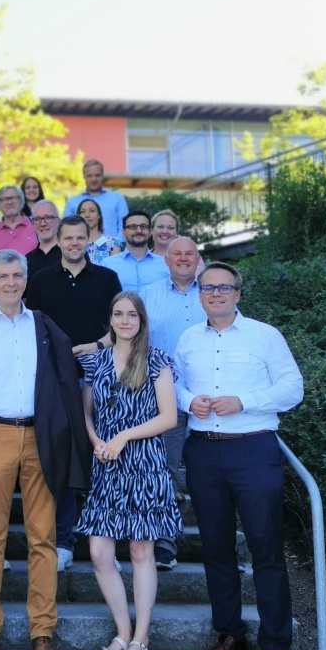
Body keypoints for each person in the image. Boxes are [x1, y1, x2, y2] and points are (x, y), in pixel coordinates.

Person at [0, 250, 90, 650]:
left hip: (40, 436)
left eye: (17, 275)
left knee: (42, 538)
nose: (11, 282)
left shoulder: (44, 327)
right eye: (3, 276)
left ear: (25, 281)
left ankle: (42, 631)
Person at [174, 262, 303, 650]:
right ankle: (230, 635)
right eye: (208, 287)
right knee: (215, 549)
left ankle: (275, 644)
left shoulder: (265, 335)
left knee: (265, 548)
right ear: (199, 295)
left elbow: (291, 388)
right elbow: (173, 384)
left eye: (224, 287)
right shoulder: (188, 339)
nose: (215, 293)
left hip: (253, 449)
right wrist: (187, 399)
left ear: (238, 294)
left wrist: (244, 401)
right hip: (204, 452)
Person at [76, 291, 182, 650]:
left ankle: (142, 638)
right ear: (111, 319)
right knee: (100, 553)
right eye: (118, 314)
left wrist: (123, 436)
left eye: (132, 315)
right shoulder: (96, 362)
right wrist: (96, 440)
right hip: (106, 464)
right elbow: (86, 411)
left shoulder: (156, 361)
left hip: (144, 464)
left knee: (140, 551)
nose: (125, 320)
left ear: (141, 320)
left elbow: (169, 417)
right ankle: (122, 632)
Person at [26, 215, 123, 571]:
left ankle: (106, 533)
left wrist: (94, 345)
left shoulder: (108, 278)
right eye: (68, 238)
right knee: (64, 456)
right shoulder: (40, 279)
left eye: (80, 237)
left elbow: (123, 325)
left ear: (88, 240)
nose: (73, 243)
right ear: (60, 239)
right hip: (56, 378)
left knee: (105, 454)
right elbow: (30, 326)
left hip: (103, 376)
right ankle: (64, 539)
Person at [139, 236, 207, 571]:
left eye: (189, 254)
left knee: (208, 474)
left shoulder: (213, 293)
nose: (182, 258)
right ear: (165, 259)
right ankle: (165, 542)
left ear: (198, 259)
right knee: (165, 471)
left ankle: (218, 545)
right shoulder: (149, 295)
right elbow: (134, 341)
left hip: (210, 400)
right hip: (164, 400)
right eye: (176, 253)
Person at [102, 210, 169, 292]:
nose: (138, 231)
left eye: (143, 226)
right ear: (123, 232)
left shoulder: (165, 264)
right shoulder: (107, 265)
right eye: (132, 227)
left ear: (150, 231)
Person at [63, 159, 129, 240]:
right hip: (80, 250)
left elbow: (124, 226)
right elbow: (66, 229)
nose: (94, 179)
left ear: (102, 176)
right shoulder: (72, 202)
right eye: (89, 176)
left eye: (97, 175)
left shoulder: (117, 199)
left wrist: (115, 246)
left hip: (113, 250)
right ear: (84, 177)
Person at [0, 185, 37, 254]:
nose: (9, 202)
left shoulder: (36, 225)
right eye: (4, 199)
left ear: (22, 201)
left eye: (13, 198)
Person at [24, 199, 62, 292]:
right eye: (37, 219)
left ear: (58, 221)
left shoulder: (72, 255)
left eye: (48, 217)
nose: (43, 223)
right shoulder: (26, 261)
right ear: (32, 224)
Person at [78, 199, 122, 265]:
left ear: (99, 215)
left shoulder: (112, 242)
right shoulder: (72, 242)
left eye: (92, 211)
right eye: (83, 211)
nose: (87, 215)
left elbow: (115, 269)